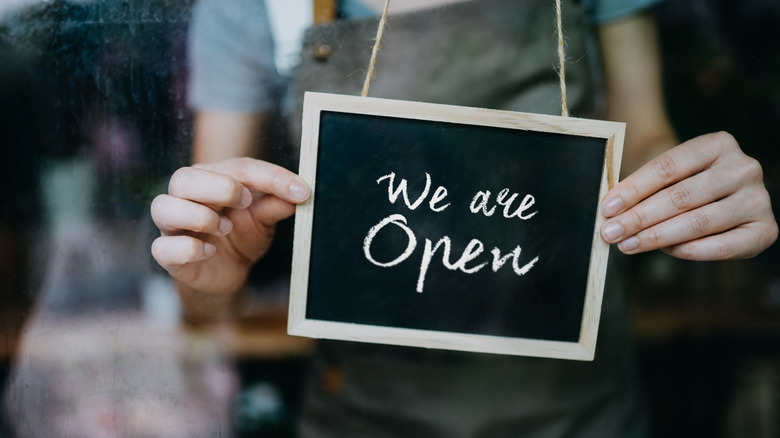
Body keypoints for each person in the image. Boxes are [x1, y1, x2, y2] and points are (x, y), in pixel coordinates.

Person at [150, 0, 778, 436]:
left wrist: (699, 192)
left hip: (582, 417)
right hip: (365, 421)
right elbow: (207, 288)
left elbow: (645, 143)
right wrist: (213, 269)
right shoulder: (251, 9)